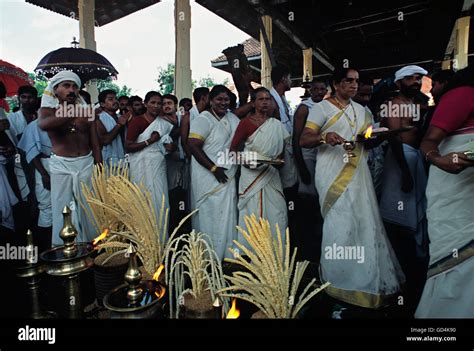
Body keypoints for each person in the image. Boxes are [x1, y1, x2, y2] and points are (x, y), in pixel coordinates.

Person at [300, 67, 404, 309]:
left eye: (356, 81)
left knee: (362, 220)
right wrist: (325, 137)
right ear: (335, 84)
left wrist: (379, 136)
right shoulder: (321, 108)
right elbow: (304, 139)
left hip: (358, 172)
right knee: (339, 222)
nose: (354, 85)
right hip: (331, 172)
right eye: (348, 81)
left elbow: (364, 142)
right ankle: (338, 278)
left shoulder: (362, 111)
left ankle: (365, 277)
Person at [416, 66, 474, 318]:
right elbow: (427, 143)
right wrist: (439, 160)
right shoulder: (464, 94)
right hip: (454, 186)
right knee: (459, 260)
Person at [379, 65, 430, 312]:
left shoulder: (415, 105)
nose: (416, 82)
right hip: (400, 162)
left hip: (414, 159)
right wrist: (405, 172)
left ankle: (414, 268)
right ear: (399, 83)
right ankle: (404, 270)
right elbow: (393, 137)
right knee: (399, 215)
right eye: (410, 79)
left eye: (418, 78)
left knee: (415, 208)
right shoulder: (392, 105)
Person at [38, 71, 102, 245]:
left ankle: (92, 246)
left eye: (74, 86)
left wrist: (99, 167)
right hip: (61, 165)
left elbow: (95, 142)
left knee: (89, 207)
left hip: (86, 163)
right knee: (63, 208)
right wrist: (72, 112)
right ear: (56, 89)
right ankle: (63, 249)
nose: (71, 90)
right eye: (66, 86)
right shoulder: (48, 110)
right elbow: (43, 125)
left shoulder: (86, 110)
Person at [230, 87, 288, 251]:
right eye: (261, 99)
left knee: (277, 212)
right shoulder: (245, 123)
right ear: (253, 103)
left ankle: (274, 254)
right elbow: (233, 151)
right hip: (251, 175)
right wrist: (246, 163)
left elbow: (282, 154)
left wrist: (280, 162)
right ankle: (251, 254)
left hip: (272, 175)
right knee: (252, 212)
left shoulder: (276, 124)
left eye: (267, 99)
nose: (265, 102)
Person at [188, 85, 240, 260]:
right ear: (210, 100)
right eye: (219, 99)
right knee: (208, 214)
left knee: (227, 214)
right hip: (207, 176)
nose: (223, 103)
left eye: (226, 100)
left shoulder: (232, 119)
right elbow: (193, 146)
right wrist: (213, 168)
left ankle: (227, 256)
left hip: (227, 175)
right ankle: (207, 257)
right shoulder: (203, 119)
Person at [292, 78, 327, 261]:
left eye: (323, 88)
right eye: (317, 89)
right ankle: (305, 248)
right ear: (310, 90)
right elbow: (296, 139)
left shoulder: (328, 106)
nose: (320, 92)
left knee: (320, 200)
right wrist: (302, 167)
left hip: (323, 155)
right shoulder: (305, 108)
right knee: (308, 201)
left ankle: (318, 243)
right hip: (307, 156)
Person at [126, 91, 173, 222]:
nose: (156, 106)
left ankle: (160, 237)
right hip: (141, 166)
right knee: (143, 198)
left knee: (159, 197)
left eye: (159, 103)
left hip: (158, 165)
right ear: (145, 104)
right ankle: (143, 237)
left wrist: (170, 147)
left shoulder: (163, 123)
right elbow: (128, 146)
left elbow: (169, 145)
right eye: (153, 102)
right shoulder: (137, 121)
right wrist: (149, 141)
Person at [269, 66, 298, 239]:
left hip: (288, 150)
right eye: (289, 77)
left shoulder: (281, 98)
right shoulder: (272, 100)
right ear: (282, 79)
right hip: (280, 153)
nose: (291, 81)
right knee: (286, 191)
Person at [17, 119, 53, 252]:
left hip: (65, 165)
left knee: (68, 206)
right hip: (44, 166)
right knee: (46, 205)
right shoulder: (34, 126)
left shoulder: (65, 121)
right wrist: (44, 174)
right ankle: (47, 248)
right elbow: (32, 154)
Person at [161, 94, 187, 232]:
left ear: (176, 105)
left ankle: (183, 225)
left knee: (184, 192)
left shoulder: (182, 117)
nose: (166, 106)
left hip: (184, 161)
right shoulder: (161, 121)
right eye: (164, 103)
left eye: (169, 103)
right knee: (173, 193)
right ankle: (173, 226)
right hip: (170, 162)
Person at [96, 89, 127, 166]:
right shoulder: (99, 118)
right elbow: (105, 140)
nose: (115, 101)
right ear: (102, 104)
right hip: (107, 160)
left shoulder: (121, 117)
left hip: (122, 159)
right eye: (110, 99)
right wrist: (119, 125)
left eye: (116, 98)